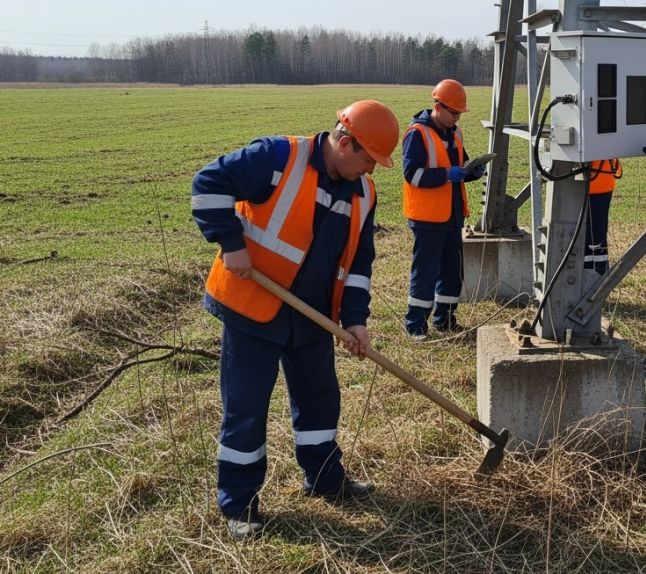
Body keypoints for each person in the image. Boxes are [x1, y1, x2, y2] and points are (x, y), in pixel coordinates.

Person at [191, 100, 400, 539]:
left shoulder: (365, 193)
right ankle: (240, 506)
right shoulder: (278, 157)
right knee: (246, 410)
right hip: (254, 309)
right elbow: (208, 183)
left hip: (313, 318)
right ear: (345, 143)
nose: (371, 171)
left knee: (321, 401)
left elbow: (359, 263)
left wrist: (355, 318)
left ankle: (325, 480)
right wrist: (231, 242)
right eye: (367, 160)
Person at [402, 79, 486, 341]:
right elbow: (412, 175)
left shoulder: (455, 133)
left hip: (452, 215)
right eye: (453, 112)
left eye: (460, 113)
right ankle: (415, 326)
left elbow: (460, 168)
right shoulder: (417, 133)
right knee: (425, 272)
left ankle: (446, 320)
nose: (457, 117)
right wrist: (447, 174)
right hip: (427, 217)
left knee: (452, 270)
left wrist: (473, 171)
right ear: (438, 107)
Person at [586, 158, 622, 274]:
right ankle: (597, 273)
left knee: (592, 236)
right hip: (602, 179)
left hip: (594, 182)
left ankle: (595, 274)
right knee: (595, 233)